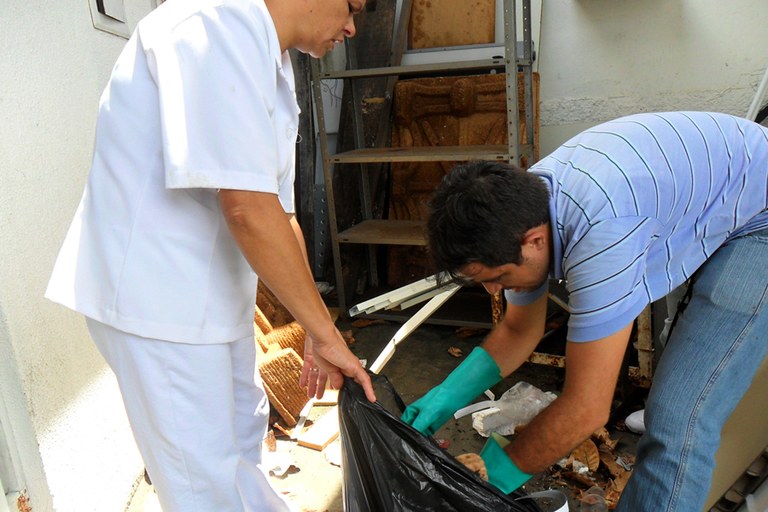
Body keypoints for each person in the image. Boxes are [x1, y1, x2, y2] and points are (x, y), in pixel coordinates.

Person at [45, 0, 374, 510]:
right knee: (203, 487)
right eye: (352, 6)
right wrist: (328, 336)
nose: (352, 28)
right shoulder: (213, 24)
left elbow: (280, 214)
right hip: (158, 306)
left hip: (205, 303)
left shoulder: (274, 60)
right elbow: (246, 207)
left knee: (242, 443)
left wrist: (315, 327)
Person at [402, 111, 768, 511]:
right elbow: (519, 330)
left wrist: (490, 478)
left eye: (498, 276)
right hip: (721, 181)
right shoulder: (522, 205)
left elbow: (587, 406)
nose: (492, 289)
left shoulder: (602, 233)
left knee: (679, 423)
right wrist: (444, 397)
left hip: (760, 218)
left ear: (534, 241)